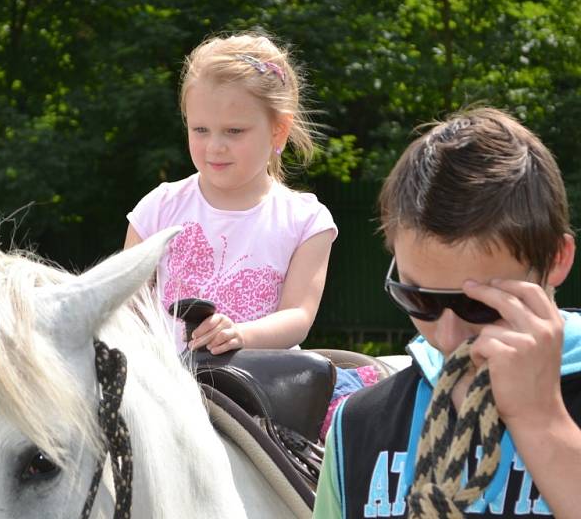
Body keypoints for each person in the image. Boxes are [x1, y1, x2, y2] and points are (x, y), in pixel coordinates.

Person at [313, 107, 581, 518]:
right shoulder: (357, 426)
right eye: (420, 299)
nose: (450, 336)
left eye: (479, 304)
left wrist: (542, 420)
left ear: (556, 261)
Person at [124, 31, 337, 355]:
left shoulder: (306, 221)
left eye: (234, 131)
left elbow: (298, 316)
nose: (215, 146)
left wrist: (240, 335)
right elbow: (127, 307)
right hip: (165, 388)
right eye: (200, 130)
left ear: (278, 129)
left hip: (261, 389)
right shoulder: (158, 209)